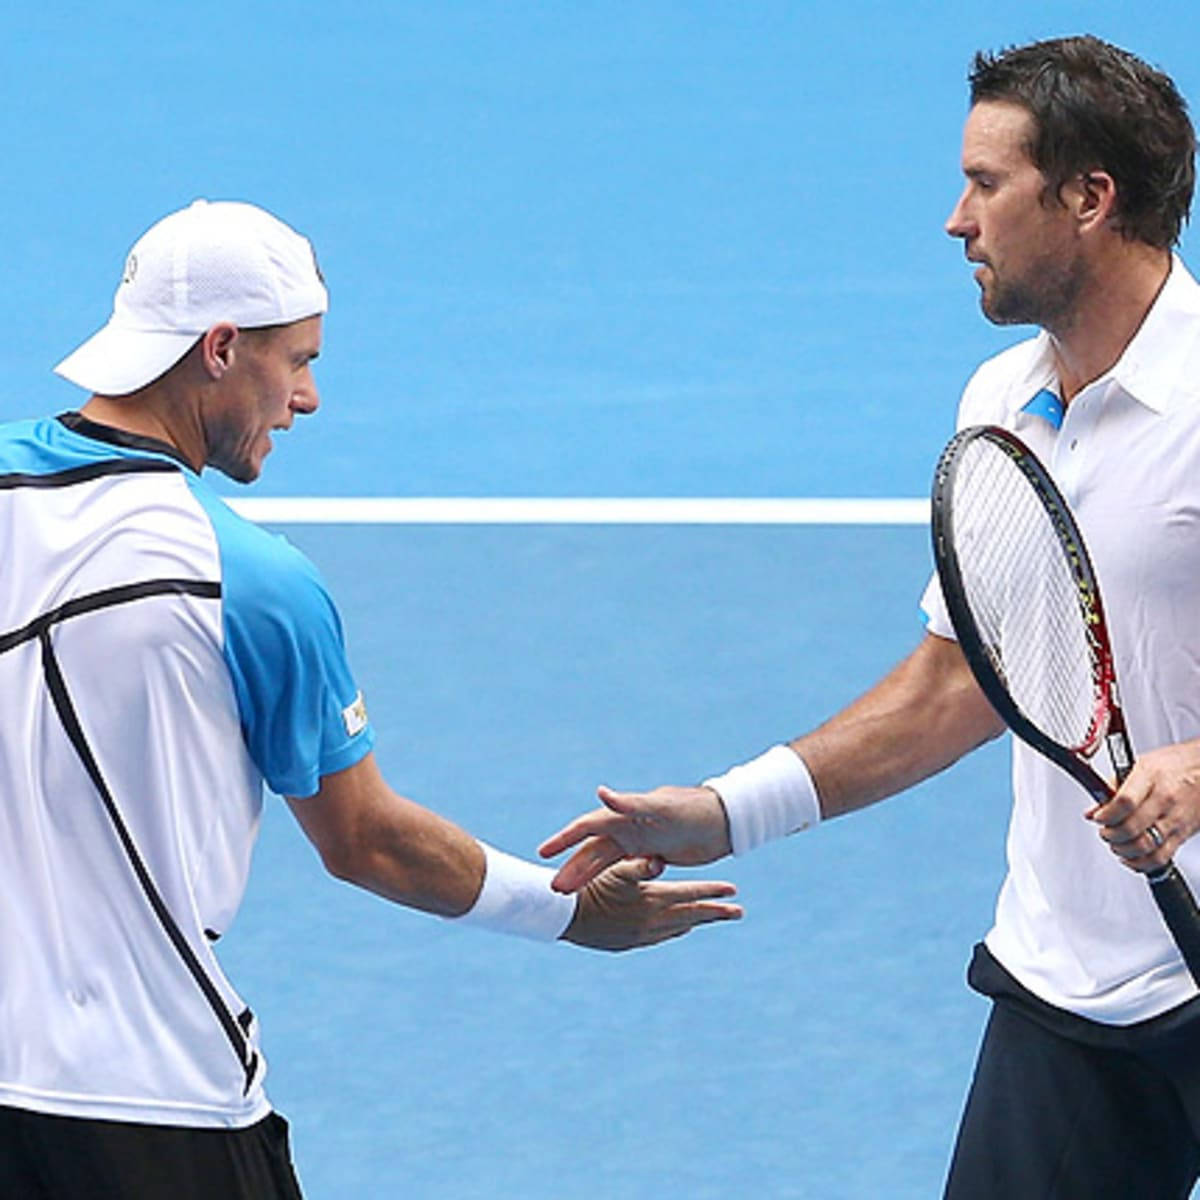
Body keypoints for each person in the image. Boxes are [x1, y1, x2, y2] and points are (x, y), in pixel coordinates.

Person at [539, 35, 1200, 1199]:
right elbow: (959, 685)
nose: (957, 220)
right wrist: (724, 813)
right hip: (1070, 982)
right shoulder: (1003, 408)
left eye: (986, 184)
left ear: (1090, 198)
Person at [0, 198, 743, 1199]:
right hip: (146, 1101)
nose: (305, 398)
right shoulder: (251, 582)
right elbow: (367, 842)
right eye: (297, 361)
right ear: (220, 348)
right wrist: (568, 916)